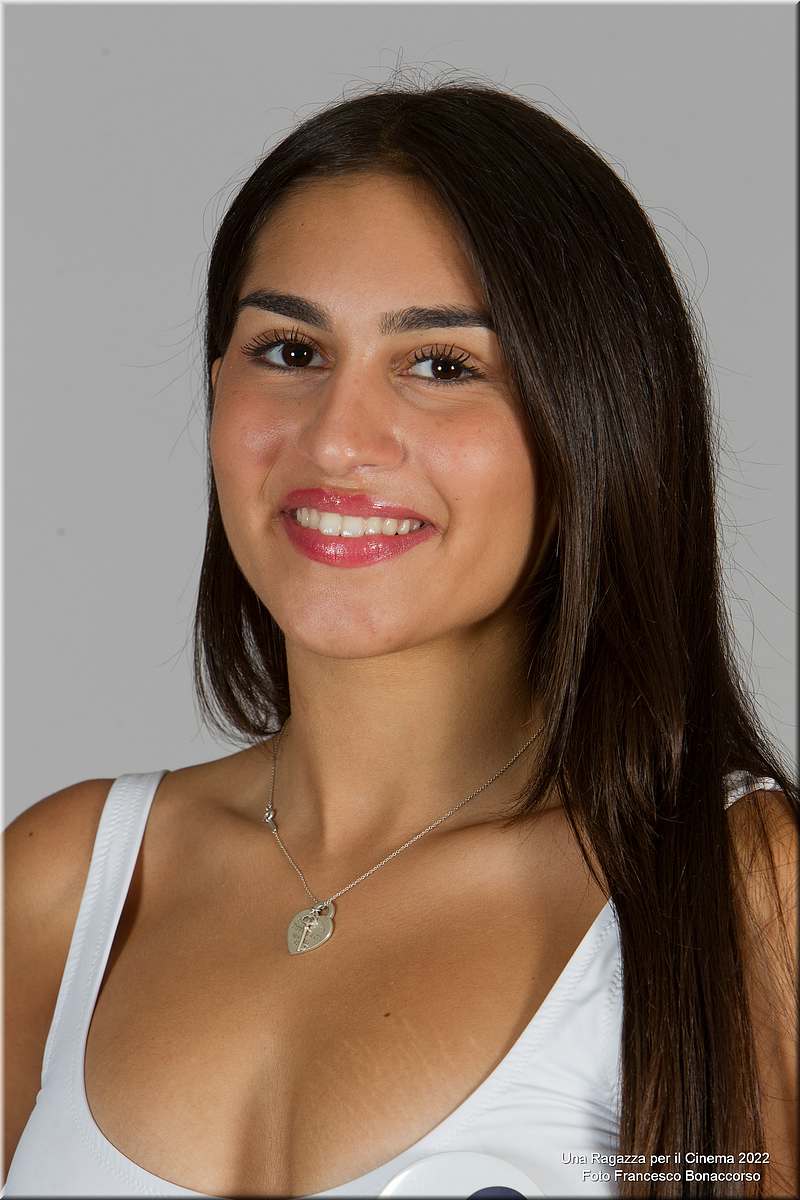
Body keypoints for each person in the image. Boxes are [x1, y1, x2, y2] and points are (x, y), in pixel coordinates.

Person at [3, 76, 797, 1200]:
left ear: (593, 423)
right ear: (217, 388)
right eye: (289, 350)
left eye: (440, 366)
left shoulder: (733, 894)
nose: (337, 440)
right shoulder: (65, 888)